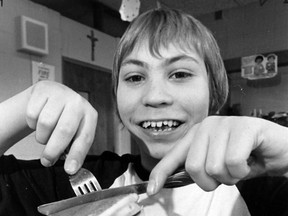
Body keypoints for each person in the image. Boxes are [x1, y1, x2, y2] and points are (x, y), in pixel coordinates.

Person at [1, 8, 288, 216]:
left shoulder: (261, 191)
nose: (154, 96)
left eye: (179, 73)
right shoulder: (85, 185)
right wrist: (24, 104)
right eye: (135, 78)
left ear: (214, 90)